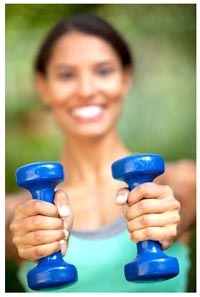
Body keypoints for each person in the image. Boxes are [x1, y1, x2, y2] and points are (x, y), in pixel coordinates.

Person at [6, 14, 196, 292]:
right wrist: (27, 238)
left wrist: (166, 219)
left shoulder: (181, 182)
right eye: (66, 74)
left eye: (104, 71)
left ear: (125, 79)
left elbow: (184, 202)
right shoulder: (16, 213)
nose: (86, 90)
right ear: (43, 87)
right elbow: (12, 233)